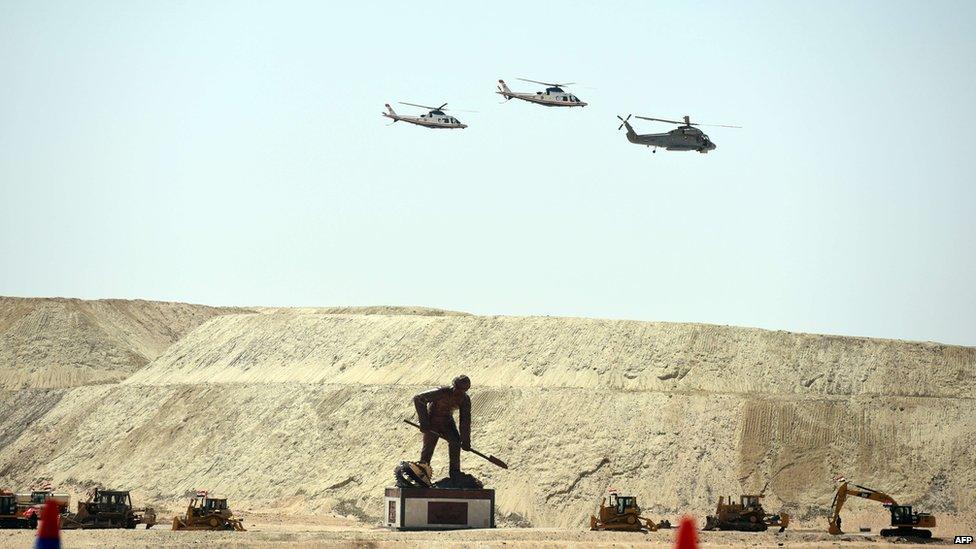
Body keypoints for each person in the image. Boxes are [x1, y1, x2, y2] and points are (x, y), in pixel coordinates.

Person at [413, 375, 471, 480]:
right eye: (457, 389)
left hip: (447, 422)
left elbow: (465, 421)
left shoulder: (465, 400)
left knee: (455, 442)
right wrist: (424, 423)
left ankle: (455, 472)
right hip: (432, 421)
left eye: (462, 391)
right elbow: (419, 399)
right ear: (454, 386)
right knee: (429, 447)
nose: (458, 393)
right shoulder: (441, 392)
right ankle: (422, 471)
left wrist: (465, 441)